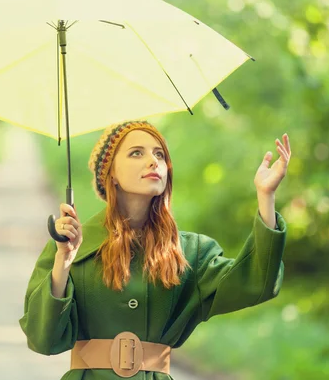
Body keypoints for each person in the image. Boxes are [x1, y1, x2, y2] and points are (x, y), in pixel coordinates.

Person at [19, 120, 291, 379]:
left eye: (160, 154)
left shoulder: (190, 253)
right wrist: (63, 262)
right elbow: (42, 339)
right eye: (136, 153)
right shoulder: (69, 248)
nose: (153, 161)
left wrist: (266, 197)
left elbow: (256, 282)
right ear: (110, 173)